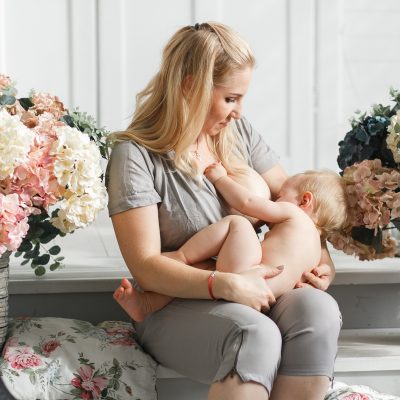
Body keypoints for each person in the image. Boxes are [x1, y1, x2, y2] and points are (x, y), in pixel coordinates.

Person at [106, 22, 342, 400]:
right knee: (255, 332)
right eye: (230, 98)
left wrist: (320, 260)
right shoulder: (133, 157)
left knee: (319, 309)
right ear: (190, 86)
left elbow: (300, 203)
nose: (238, 111)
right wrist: (223, 284)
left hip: (255, 287)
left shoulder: (239, 134)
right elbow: (145, 265)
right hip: (176, 304)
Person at [114, 167, 347, 320]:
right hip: (262, 298)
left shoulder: (293, 213)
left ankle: (180, 257)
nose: (276, 201)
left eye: (280, 196)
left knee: (239, 223)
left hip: (248, 276)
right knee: (206, 270)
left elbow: (246, 202)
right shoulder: (317, 250)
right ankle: (146, 304)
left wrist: (220, 178)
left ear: (305, 200)